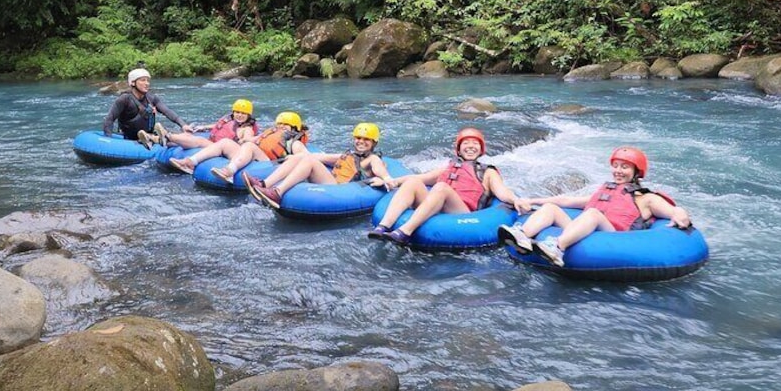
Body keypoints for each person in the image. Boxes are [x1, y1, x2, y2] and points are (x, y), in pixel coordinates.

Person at [497, 146, 692, 267]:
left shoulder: (645, 197)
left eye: (624, 167)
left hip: (613, 236)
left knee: (592, 213)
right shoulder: (605, 191)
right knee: (551, 208)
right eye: (616, 166)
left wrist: (680, 214)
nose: (618, 171)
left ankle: (557, 247)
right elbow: (567, 201)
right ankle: (522, 236)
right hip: (590, 229)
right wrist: (532, 201)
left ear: (636, 172)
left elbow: (673, 210)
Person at [367, 127, 531, 245]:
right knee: (413, 182)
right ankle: (383, 227)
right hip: (437, 205)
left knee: (441, 188)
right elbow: (420, 177)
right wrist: (390, 181)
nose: (470, 146)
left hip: (461, 213)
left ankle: (405, 232)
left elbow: (502, 191)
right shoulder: (449, 167)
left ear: (481, 149)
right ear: (458, 149)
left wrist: (515, 199)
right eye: (466, 143)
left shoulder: (487, 172)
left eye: (475, 143)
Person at [246, 123, 391, 208]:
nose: (361, 141)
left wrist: (384, 180)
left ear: (374, 143)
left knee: (309, 161)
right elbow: (323, 157)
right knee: (304, 156)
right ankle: (265, 183)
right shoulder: (351, 155)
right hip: (333, 182)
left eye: (367, 139)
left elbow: (384, 174)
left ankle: (277, 192)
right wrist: (294, 157)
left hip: (340, 191)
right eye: (358, 138)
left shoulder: (373, 159)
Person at [169, 111, 309, 181]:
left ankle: (229, 171)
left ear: (294, 128)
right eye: (279, 125)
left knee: (249, 146)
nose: (281, 128)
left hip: (271, 164)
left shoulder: (295, 143)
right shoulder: (270, 134)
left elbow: (305, 159)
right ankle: (190, 162)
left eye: (285, 126)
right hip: (255, 156)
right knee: (225, 143)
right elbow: (255, 140)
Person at [102, 67, 193, 145]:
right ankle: (156, 138)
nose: (147, 83)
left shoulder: (151, 98)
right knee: (163, 137)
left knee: (177, 137)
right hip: (130, 137)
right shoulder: (124, 99)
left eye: (147, 80)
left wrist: (183, 125)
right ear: (133, 83)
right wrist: (108, 140)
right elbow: (109, 119)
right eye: (143, 80)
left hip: (149, 133)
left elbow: (167, 111)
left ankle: (158, 136)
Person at [150, 99, 258, 150]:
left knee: (199, 141)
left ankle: (167, 136)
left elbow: (249, 139)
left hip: (226, 149)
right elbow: (218, 126)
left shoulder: (247, 129)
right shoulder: (231, 120)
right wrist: (203, 127)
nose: (239, 115)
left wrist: (244, 140)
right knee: (188, 136)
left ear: (248, 115)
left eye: (243, 113)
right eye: (237, 112)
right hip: (216, 144)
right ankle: (156, 139)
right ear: (233, 112)